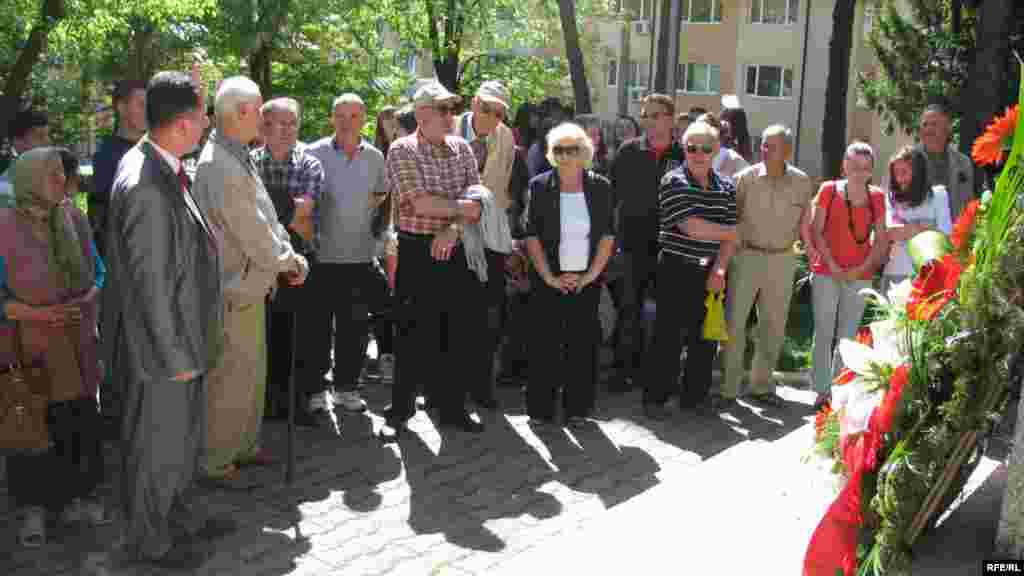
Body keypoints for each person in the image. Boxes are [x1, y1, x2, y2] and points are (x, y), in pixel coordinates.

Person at [102, 70, 223, 570]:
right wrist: (174, 356)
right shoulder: (147, 183)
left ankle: (178, 519)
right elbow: (150, 285)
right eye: (203, 116)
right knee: (155, 447)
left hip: (180, 337)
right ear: (184, 123)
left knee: (178, 442)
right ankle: (150, 541)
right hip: (161, 349)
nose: (207, 124)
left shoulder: (161, 165)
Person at [193, 76, 309, 487]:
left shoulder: (234, 154)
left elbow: (265, 216)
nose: (264, 119)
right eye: (259, 111)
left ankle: (242, 446)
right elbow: (251, 230)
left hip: (248, 285)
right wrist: (288, 261)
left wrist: (285, 254)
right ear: (240, 112)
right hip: (233, 288)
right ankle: (216, 462)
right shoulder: (219, 163)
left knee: (249, 375)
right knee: (229, 380)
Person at [1, 147, 110, 548]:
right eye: (51, 174)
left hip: (75, 341)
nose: (61, 181)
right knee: (32, 425)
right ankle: (34, 509)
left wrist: (87, 297)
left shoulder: (72, 217)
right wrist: (38, 314)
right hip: (27, 345)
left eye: (62, 173)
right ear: (28, 179)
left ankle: (75, 499)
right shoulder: (4, 226)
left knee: (76, 420)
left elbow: (99, 270)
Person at [378, 80, 486, 441]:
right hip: (415, 251)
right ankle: (399, 412)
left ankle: (452, 408)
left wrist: (452, 227)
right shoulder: (401, 149)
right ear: (422, 113)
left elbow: (478, 203)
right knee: (411, 334)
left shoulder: (462, 148)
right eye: (443, 109)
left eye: (452, 109)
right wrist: (460, 210)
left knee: (456, 333)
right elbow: (418, 203)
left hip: (456, 248)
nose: (451, 115)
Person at [642, 121, 737, 420]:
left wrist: (719, 271)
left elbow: (728, 238)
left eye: (705, 148)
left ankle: (694, 398)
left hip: (711, 271)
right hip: (675, 269)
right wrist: (730, 232)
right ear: (683, 149)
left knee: (705, 339)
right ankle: (656, 399)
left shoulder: (727, 186)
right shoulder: (673, 181)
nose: (698, 153)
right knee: (667, 337)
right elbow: (690, 227)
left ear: (716, 150)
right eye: (691, 147)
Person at [523, 122, 616, 427]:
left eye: (572, 150)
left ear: (584, 152)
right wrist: (550, 277)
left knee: (582, 346)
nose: (565, 156)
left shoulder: (600, 186)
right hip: (548, 278)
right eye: (559, 150)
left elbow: (607, 236)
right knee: (544, 345)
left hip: (586, 280)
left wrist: (589, 276)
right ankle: (541, 410)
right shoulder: (539, 185)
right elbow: (532, 235)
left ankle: (578, 409)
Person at [720, 125, 814, 409]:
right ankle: (728, 389)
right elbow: (731, 220)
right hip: (746, 256)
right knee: (734, 323)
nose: (763, 150)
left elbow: (806, 223)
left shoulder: (802, 182)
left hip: (783, 260)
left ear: (787, 151)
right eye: (762, 144)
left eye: (770, 146)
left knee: (773, 325)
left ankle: (761, 386)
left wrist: (811, 254)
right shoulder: (744, 179)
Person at [306, 93, 387, 414]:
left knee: (354, 328)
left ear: (364, 119)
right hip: (321, 257)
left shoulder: (375, 158)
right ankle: (315, 389)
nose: (347, 122)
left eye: (354, 116)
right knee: (316, 329)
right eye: (340, 115)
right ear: (332, 118)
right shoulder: (312, 152)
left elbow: (382, 196)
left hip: (360, 257)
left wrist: (375, 234)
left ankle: (346, 388)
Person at [251, 97, 326, 427]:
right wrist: (288, 209)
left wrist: (269, 207)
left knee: (300, 336)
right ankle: (267, 404)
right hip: (260, 258)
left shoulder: (310, 164)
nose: (287, 130)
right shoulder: (248, 162)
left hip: (300, 259)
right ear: (264, 126)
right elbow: (250, 214)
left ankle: (298, 404)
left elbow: (305, 213)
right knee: (265, 333)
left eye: (292, 123)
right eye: (280, 123)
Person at [608, 93, 685, 393]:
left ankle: (660, 374)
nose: (649, 122)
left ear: (670, 119)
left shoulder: (683, 154)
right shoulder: (629, 151)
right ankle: (624, 371)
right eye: (645, 116)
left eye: (655, 115)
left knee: (667, 314)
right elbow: (611, 196)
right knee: (629, 309)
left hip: (673, 245)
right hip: (633, 243)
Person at [808, 141, 888, 408]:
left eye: (865, 167)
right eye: (854, 166)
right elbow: (816, 230)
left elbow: (881, 239)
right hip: (826, 271)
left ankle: (839, 392)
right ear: (844, 166)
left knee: (848, 335)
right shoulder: (828, 190)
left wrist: (859, 270)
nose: (859, 172)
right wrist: (832, 265)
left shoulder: (877, 197)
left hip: (859, 275)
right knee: (824, 331)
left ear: (871, 170)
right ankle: (821, 391)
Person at [453, 80, 517, 410]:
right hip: (449, 232)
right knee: (449, 314)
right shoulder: (447, 128)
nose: (492, 117)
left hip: (489, 236)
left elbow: (502, 187)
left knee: (486, 317)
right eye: (487, 108)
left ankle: (480, 386)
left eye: (499, 112)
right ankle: (443, 388)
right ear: (474, 104)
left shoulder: (506, 137)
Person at [882, 145, 953, 292]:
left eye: (904, 172)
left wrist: (907, 229)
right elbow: (890, 232)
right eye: (896, 173)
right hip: (896, 273)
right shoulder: (890, 199)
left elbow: (946, 234)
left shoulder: (938, 195)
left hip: (930, 274)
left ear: (918, 172)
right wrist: (927, 228)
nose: (899, 178)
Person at [92, 80, 147, 243]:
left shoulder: (156, 149)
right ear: (122, 108)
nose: (148, 111)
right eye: (141, 105)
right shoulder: (107, 156)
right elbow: (100, 215)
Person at [916, 102, 975, 220]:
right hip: (919, 229)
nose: (928, 129)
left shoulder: (963, 163)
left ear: (947, 129)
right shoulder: (907, 160)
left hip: (955, 229)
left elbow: (968, 204)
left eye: (934, 124)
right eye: (925, 124)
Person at [0, 108, 51, 207]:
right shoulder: (5, 185)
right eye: (39, 136)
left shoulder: (52, 178)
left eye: (47, 136)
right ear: (17, 141)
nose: (47, 142)